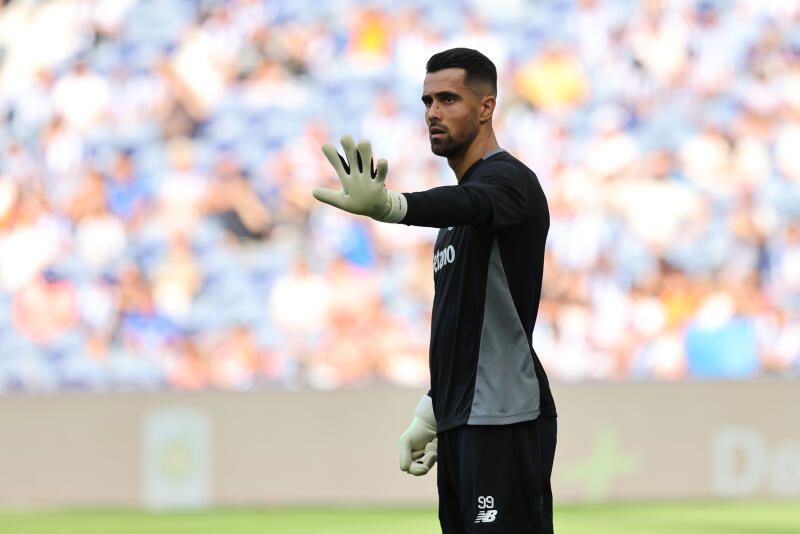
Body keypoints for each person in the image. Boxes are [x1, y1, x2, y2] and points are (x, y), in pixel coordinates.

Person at [312, 47, 557, 534]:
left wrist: (392, 206)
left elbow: (471, 202)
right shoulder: (454, 223)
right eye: (427, 101)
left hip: (503, 416)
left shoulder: (509, 181)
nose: (433, 113)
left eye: (448, 99)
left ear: (486, 107)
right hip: (463, 418)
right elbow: (463, 324)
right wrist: (433, 409)